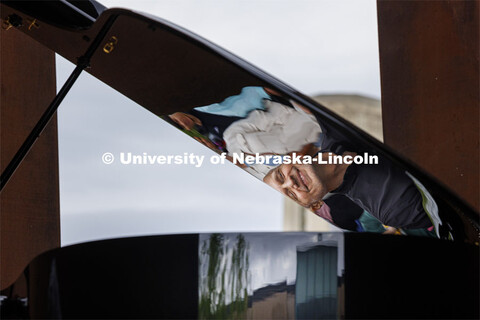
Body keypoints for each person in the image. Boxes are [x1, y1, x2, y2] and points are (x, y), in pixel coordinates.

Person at [263, 149, 435, 231]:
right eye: (291, 195)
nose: (290, 183)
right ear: (313, 205)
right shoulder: (392, 209)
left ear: (294, 155)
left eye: (280, 175)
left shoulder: (330, 126)